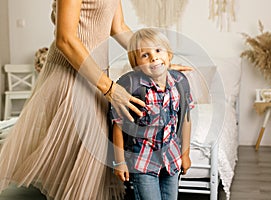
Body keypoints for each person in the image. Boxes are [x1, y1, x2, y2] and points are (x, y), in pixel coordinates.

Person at [0, 1, 191, 199]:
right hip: (71, 77)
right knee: (78, 161)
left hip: (98, 78)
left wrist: (158, 61)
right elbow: (65, 39)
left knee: (91, 163)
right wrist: (109, 88)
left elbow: (119, 28)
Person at [111, 28, 193, 200]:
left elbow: (185, 120)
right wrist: (120, 162)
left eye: (158, 50)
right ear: (136, 64)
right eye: (145, 55)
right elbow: (118, 125)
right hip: (143, 161)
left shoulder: (180, 83)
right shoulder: (132, 87)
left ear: (168, 55)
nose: (154, 57)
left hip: (171, 158)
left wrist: (185, 154)